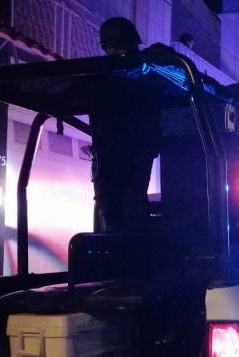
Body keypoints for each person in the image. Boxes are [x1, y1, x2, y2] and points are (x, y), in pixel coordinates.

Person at [90, 17, 162, 232]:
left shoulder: (144, 71)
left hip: (124, 154)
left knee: (120, 210)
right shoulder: (108, 76)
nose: (117, 53)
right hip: (119, 154)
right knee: (119, 209)